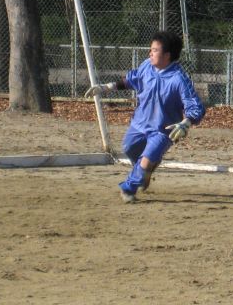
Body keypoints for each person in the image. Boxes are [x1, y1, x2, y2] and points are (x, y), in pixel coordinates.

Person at [85, 30, 205, 203]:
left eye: (155, 50)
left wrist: (186, 122)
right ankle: (145, 171)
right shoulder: (147, 66)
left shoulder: (179, 79)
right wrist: (107, 86)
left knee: (145, 162)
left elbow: (195, 105)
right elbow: (132, 79)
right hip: (139, 124)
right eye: (151, 49)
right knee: (129, 148)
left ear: (167, 55)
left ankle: (128, 188)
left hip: (163, 130)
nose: (150, 53)